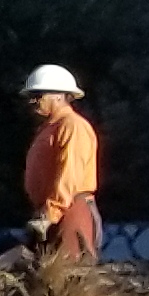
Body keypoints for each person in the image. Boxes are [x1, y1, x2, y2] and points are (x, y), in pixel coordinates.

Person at [21, 64, 101, 261]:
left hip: (70, 211)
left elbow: (70, 174)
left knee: (68, 279)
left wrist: (50, 214)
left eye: (38, 95)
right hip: (54, 212)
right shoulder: (50, 127)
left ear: (59, 95)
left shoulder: (72, 126)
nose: (32, 101)